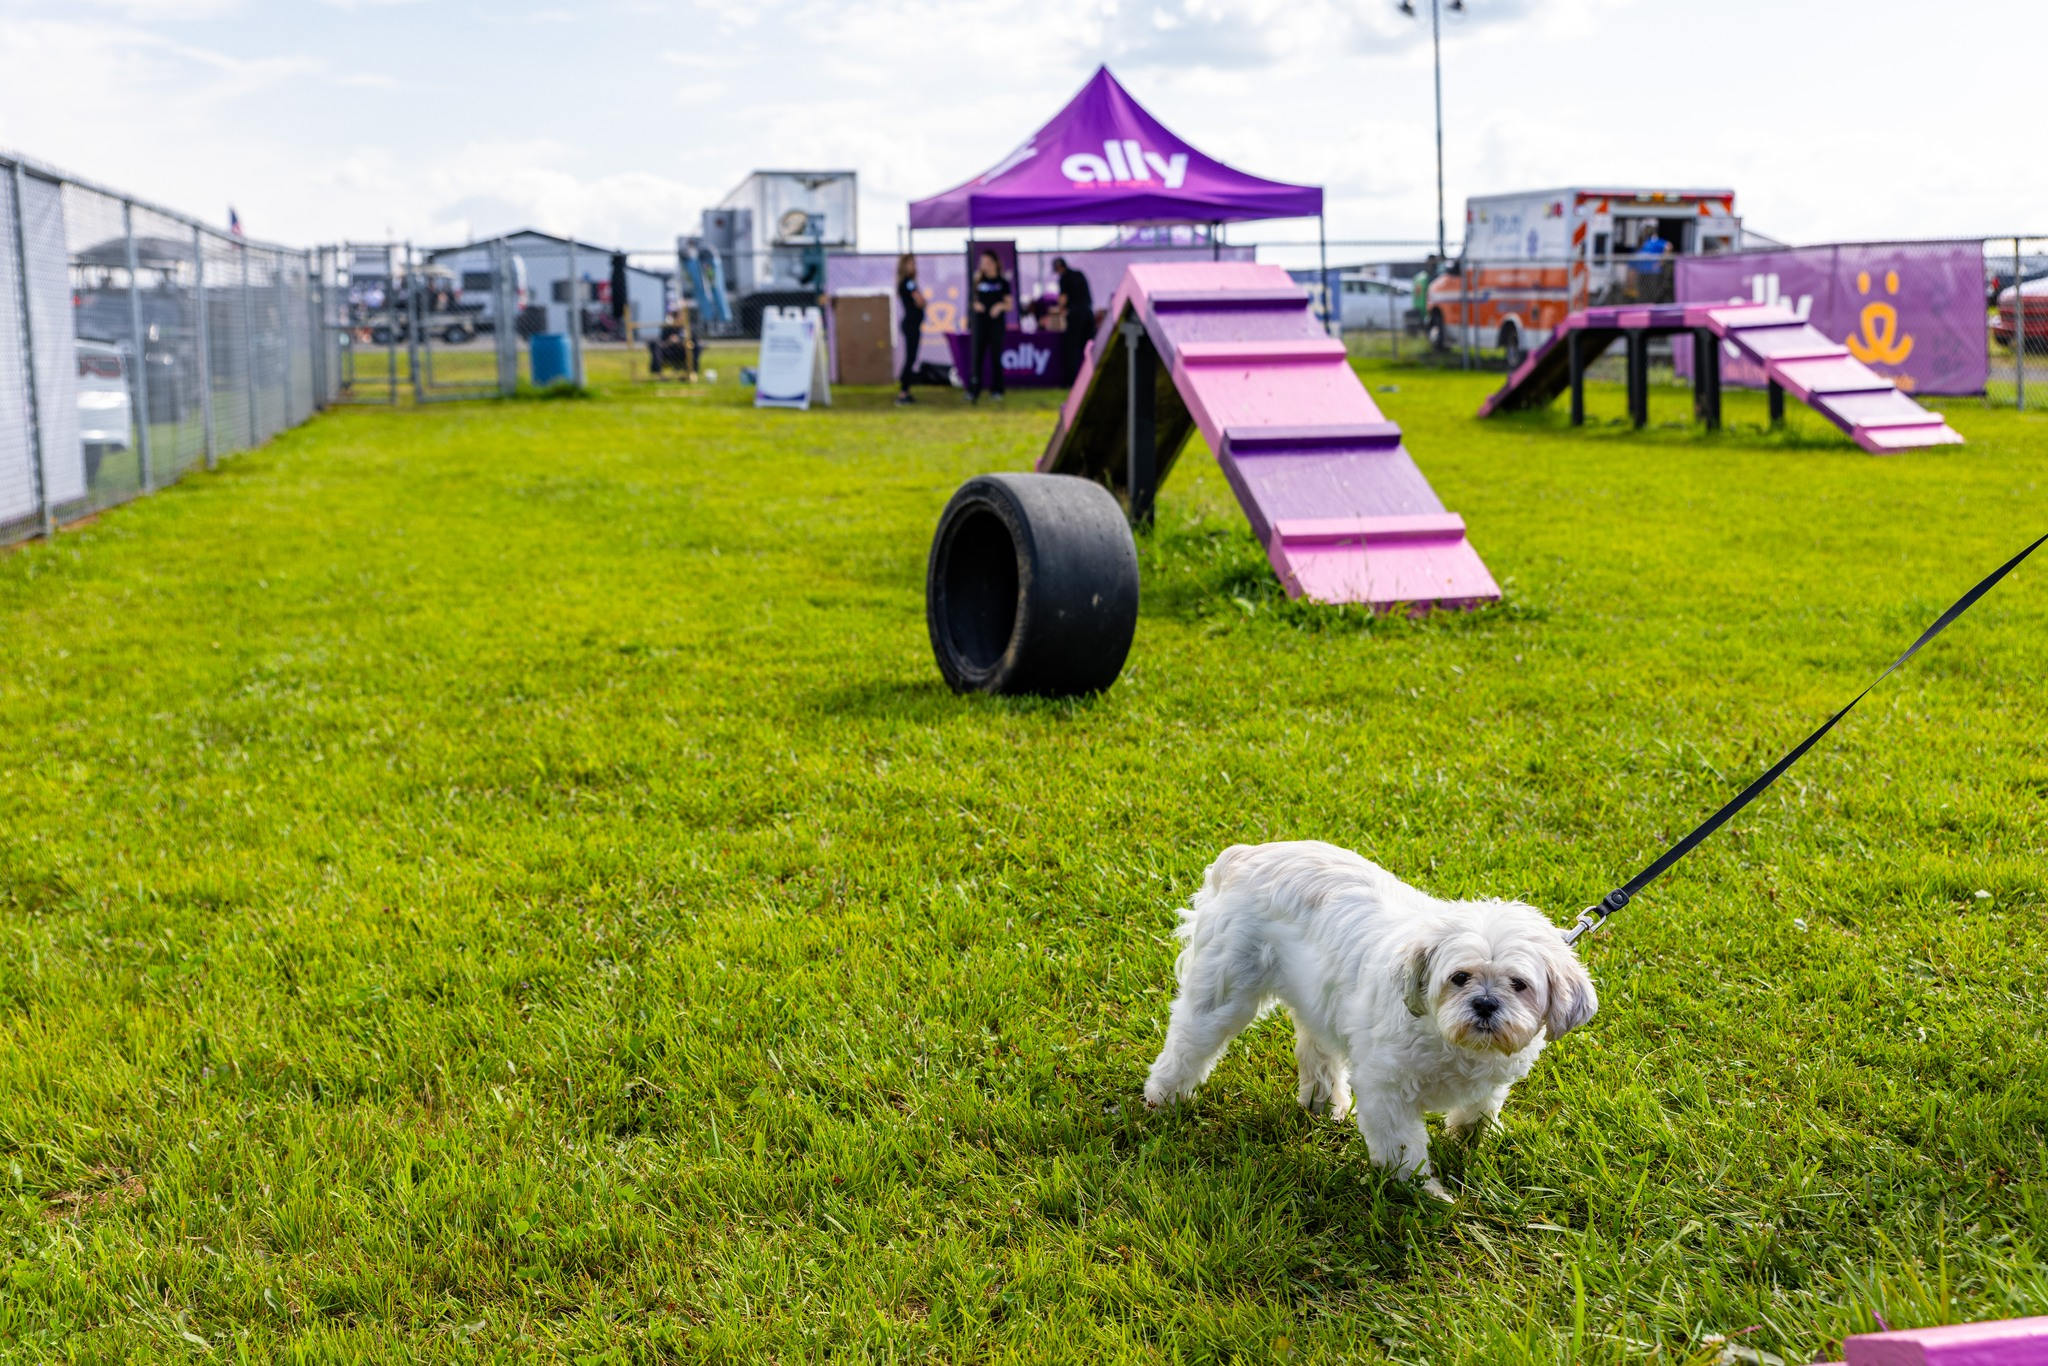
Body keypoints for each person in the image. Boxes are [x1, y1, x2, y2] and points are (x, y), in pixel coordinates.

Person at [966, 249, 1011, 404]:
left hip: (996, 325)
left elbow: (1009, 304)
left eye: (987, 262)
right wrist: (975, 304)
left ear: (994, 263)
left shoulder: (1002, 282)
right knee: (977, 356)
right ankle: (974, 389)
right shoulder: (978, 281)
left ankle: (997, 389)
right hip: (980, 325)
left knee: (995, 356)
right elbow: (971, 301)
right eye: (982, 263)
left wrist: (999, 306)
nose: (984, 266)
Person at [1051, 256, 1094, 387]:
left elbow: (1063, 300)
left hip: (1075, 317)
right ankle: (1091, 379)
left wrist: (1057, 309)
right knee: (1088, 349)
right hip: (1088, 314)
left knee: (1072, 350)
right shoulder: (1079, 274)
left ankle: (1072, 382)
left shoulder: (1064, 278)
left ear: (1059, 268)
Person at [894, 253, 926, 405]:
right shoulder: (908, 283)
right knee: (910, 359)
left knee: (911, 358)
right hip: (911, 325)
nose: (913, 266)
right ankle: (903, 393)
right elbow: (920, 301)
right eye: (910, 263)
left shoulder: (907, 282)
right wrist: (923, 302)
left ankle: (905, 390)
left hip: (912, 324)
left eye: (914, 263)